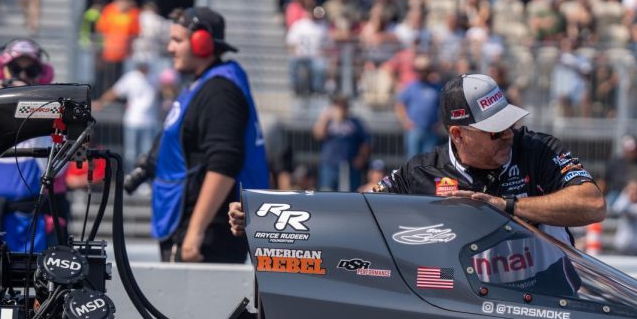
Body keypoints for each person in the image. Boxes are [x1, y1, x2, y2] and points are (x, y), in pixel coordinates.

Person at [229, 73, 605, 291]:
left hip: (554, 296)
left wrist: (506, 207)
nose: (507, 134)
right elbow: (357, 208)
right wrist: (265, 216)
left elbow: (592, 204)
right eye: (494, 131)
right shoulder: (421, 172)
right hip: (484, 311)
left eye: (509, 122)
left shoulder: (535, 149)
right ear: (458, 135)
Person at [152, 7, 269, 263]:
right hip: (194, 228)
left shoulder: (219, 92)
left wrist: (195, 232)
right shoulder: (205, 83)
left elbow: (225, 162)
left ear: (202, 43)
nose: (170, 48)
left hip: (207, 237)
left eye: (177, 40)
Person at [0, 40, 60, 253]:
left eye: (31, 70)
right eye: (16, 69)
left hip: (25, 222)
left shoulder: (48, 110)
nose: (23, 75)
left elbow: (56, 164)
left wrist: (33, 101)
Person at [93, 57, 158, 169]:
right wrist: (101, 102)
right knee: (130, 154)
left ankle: (143, 180)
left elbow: (168, 89)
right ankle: (130, 177)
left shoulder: (155, 77)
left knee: (146, 154)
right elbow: (115, 91)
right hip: (132, 121)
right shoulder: (131, 77)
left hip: (149, 122)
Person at [313, 94, 370, 192]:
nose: (340, 108)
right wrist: (324, 118)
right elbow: (318, 135)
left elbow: (366, 142)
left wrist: (361, 158)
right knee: (326, 193)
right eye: (337, 105)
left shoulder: (355, 122)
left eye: (342, 106)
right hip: (329, 164)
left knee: (348, 194)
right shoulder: (328, 121)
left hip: (348, 166)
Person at [394, 55, 440, 157]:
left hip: (430, 129)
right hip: (414, 129)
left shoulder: (436, 87)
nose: (421, 73)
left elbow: (442, 106)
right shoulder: (411, 87)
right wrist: (405, 121)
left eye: (424, 70)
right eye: (418, 70)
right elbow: (400, 104)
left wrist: (439, 122)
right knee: (412, 160)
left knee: (429, 161)